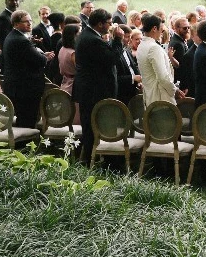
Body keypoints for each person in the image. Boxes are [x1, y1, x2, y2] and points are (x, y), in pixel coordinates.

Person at [74, 9, 125, 160]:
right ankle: (92, 160)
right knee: (94, 126)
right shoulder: (92, 40)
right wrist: (117, 40)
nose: (110, 26)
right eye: (109, 23)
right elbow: (111, 59)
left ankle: (91, 159)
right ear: (100, 24)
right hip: (94, 90)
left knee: (91, 126)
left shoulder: (90, 36)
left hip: (91, 89)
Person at [1, 10, 53, 128]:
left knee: (23, 119)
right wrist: (45, 57)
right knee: (27, 121)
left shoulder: (12, 36)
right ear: (15, 24)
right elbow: (39, 61)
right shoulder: (21, 40)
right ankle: (26, 145)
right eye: (26, 22)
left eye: (30, 21)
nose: (30, 24)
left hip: (17, 86)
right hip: (25, 89)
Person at [137, 14, 180, 107]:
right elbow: (163, 77)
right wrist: (174, 90)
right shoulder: (153, 48)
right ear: (154, 28)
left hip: (150, 96)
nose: (162, 32)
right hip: (161, 98)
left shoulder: (141, 45)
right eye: (162, 29)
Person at [58, 23, 80, 96]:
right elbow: (79, 69)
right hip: (73, 86)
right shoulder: (72, 53)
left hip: (65, 83)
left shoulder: (62, 48)